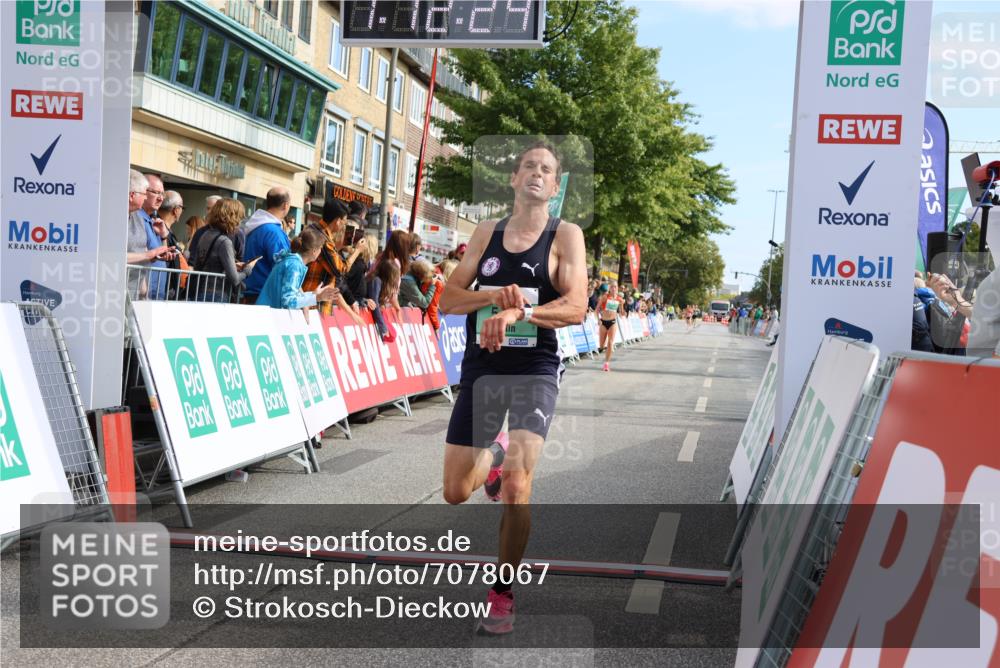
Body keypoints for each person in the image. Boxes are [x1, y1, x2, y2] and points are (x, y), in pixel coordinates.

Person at [438, 141, 587, 635]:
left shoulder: (565, 235)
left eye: (547, 169)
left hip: (535, 369)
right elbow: (448, 300)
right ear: (514, 177)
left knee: (519, 489)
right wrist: (491, 294)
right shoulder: (487, 233)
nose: (537, 175)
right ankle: (494, 460)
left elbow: (577, 307)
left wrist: (521, 310)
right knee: (457, 491)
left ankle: (501, 593)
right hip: (484, 366)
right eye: (529, 166)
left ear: (555, 183)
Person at [302, 199, 364, 319]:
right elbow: (340, 270)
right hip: (313, 304)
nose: (344, 227)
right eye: (344, 222)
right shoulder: (322, 237)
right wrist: (357, 251)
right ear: (337, 221)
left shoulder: (314, 229)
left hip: (311, 301)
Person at [256, 228, 340, 311]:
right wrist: (317, 297)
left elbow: (291, 296)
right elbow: (288, 301)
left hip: (268, 313)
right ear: (314, 251)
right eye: (320, 248)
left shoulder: (294, 262)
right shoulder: (294, 265)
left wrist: (313, 294)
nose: (321, 251)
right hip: (267, 316)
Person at [191, 199, 259, 303]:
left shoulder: (205, 234)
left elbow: (200, 265)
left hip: (200, 291)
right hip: (217, 294)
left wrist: (232, 265)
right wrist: (248, 269)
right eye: (239, 217)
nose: (240, 222)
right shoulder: (224, 241)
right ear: (232, 218)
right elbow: (235, 279)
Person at [126, 170, 174, 297]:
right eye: (155, 192)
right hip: (119, 292)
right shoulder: (117, 218)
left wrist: (164, 237)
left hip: (142, 293)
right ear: (132, 195)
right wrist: (149, 255)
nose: (161, 198)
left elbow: (146, 255)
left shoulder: (143, 218)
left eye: (162, 193)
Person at [242, 187, 293, 304]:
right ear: (285, 205)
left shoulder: (255, 227)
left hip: (251, 293)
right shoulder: (274, 232)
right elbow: (284, 268)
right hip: (266, 297)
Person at [596, 283, 622, 372]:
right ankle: (604, 346)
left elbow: (622, 313)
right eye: (612, 287)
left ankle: (606, 363)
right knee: (602, 346)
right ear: (609, 288)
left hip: (613, 322)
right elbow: (596, 310)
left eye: (615, 287)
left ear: (617, 288)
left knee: (611, 342)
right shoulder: (605, 297)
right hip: (603, 322)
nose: (614, 288)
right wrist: (598, 319)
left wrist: (623, 310)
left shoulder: (619, 299)